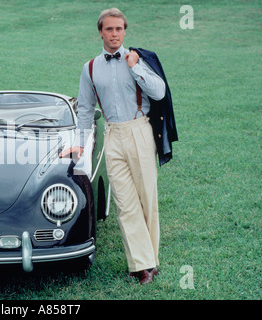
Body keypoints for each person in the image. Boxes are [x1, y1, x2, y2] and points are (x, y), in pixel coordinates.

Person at [60, 8, 168, 285]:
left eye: (119, 29)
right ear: (100, 32)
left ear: (125, 31)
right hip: (112, 135)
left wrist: (136, 67)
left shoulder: (138, 59)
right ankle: (142, 265)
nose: (114, 34)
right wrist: (79, 145)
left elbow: (159, 92)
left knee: (146, 198)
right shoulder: (91, 68)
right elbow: (84, 110)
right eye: (109, 29)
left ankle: (150, 258)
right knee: (124, 202)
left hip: (140, 131)